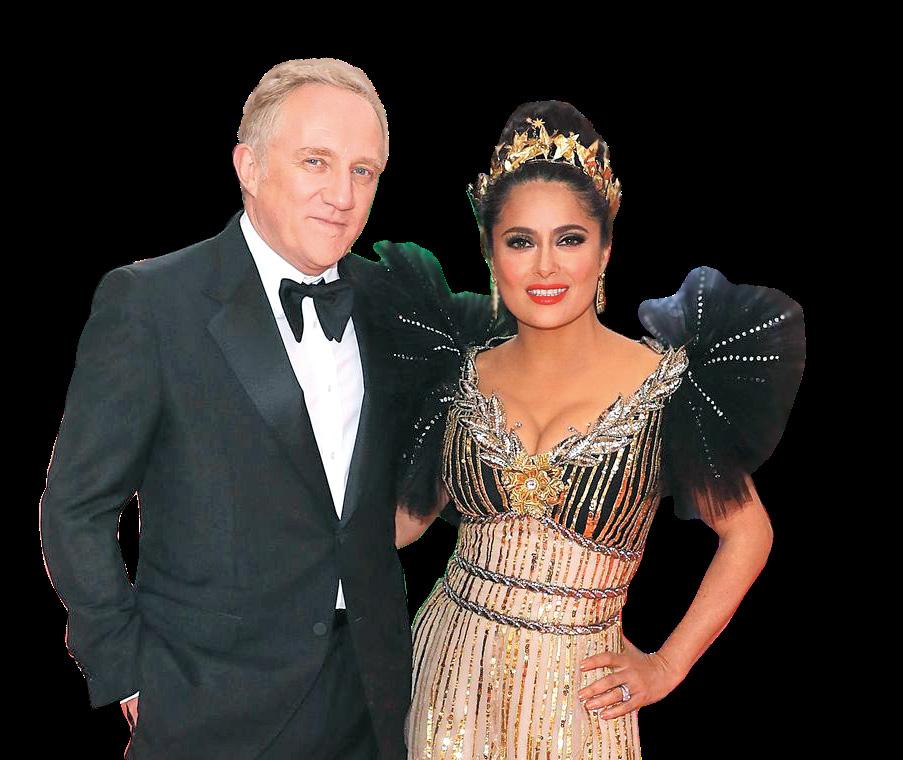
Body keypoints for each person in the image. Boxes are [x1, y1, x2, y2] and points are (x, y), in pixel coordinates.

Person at [39, 58, 459, 760]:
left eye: (363, 171)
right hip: (208, 703)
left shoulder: (394, 304)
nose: (341, 194)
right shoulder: (151, 303)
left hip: (370, 696)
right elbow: (74, 508)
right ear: (250, 166)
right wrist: (125, 670)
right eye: (315, 161)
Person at [387, 101, 806, 758]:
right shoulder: (457, 373)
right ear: (490, 252)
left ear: (605, 249)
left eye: (569, 240)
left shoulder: (666, 388)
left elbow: (748, 533)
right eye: (520, 241)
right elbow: (404, 524)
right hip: (446, 678)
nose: (545, 267)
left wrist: (667, 665)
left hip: (578, 701)